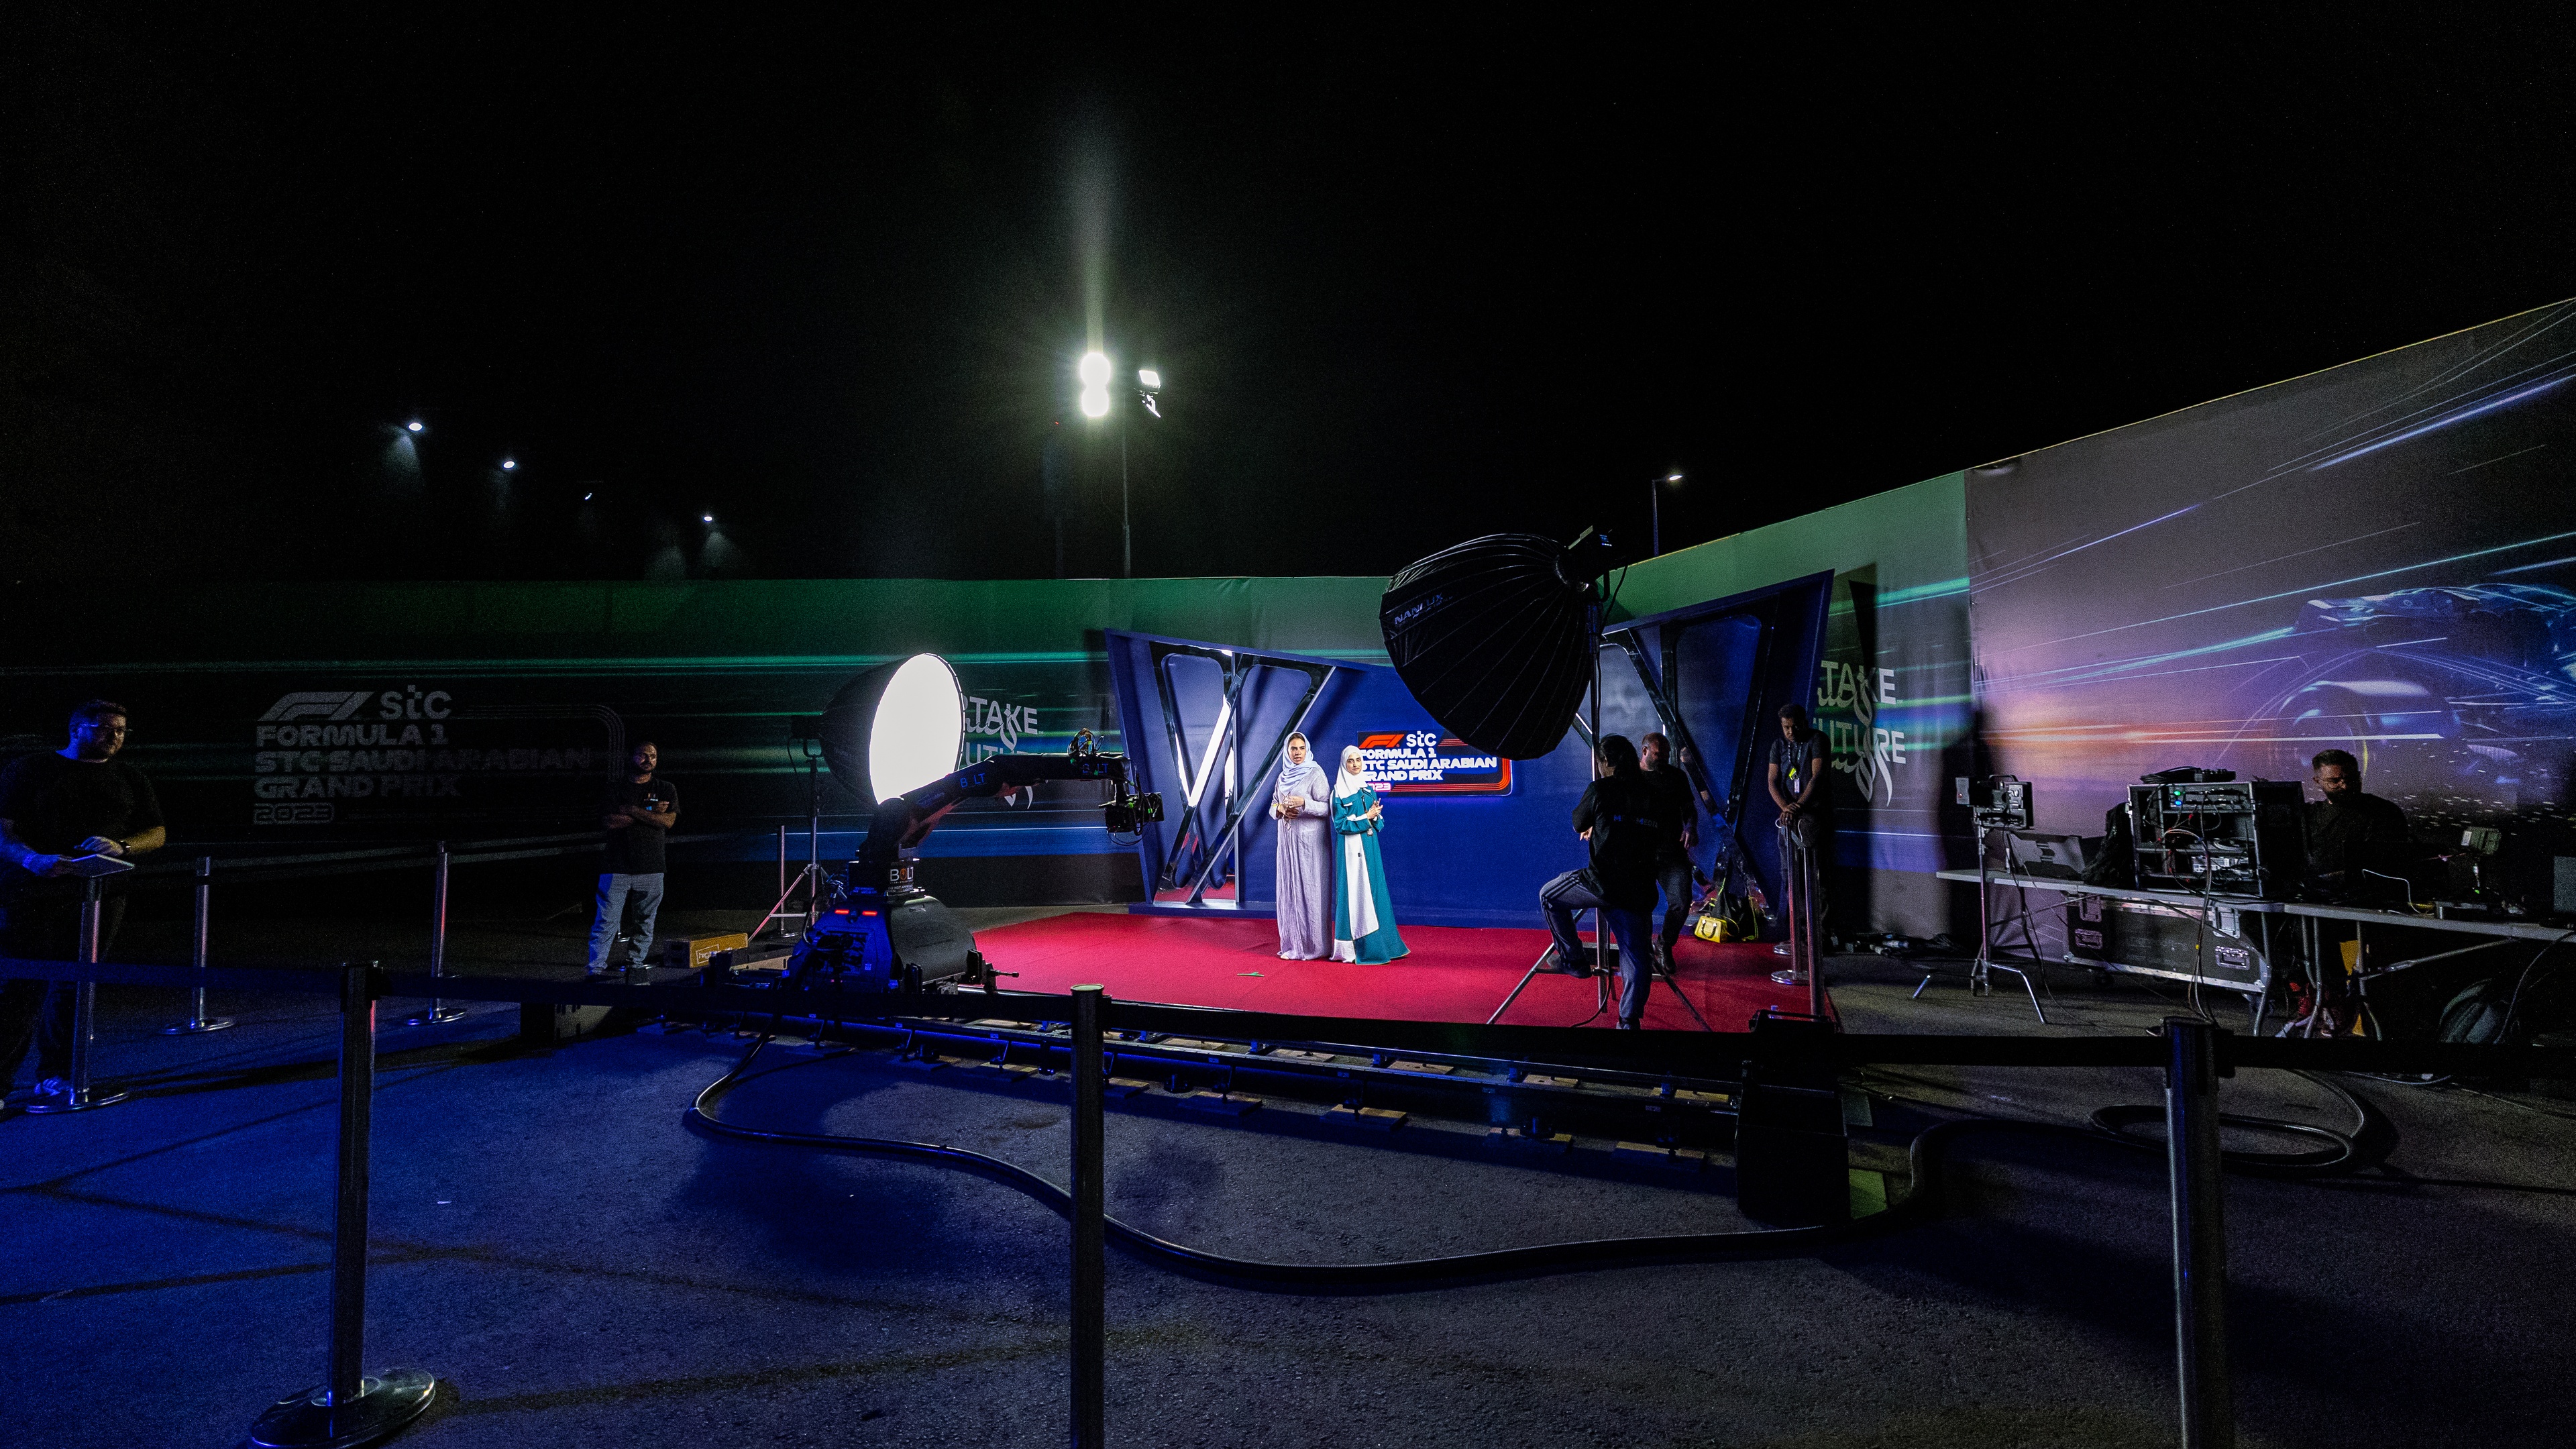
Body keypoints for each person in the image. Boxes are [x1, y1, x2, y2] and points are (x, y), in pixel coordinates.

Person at [0, 700, 165, 1108]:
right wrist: (31, 859)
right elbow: (3, 830)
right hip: (33, 890)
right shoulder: (31, 769)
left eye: (122, 730)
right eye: (106, 728)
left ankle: (57, 1075)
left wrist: (121, 846)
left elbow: (157, 831)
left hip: (100, 895)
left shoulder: (130, 776)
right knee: (22, 985)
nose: (115, 737)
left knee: (76, 986)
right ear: (76, 729)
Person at [1538, 734, 1663, 1029]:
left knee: (1548, 895)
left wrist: (1598, 824)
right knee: (1636, 955)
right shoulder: (1653, 792)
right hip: (1640, 888)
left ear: (1606, 763)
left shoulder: (1600, 788)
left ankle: (1574, 960)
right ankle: (1629, 1021)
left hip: (1601, 883)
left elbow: (1577, 823)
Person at [586, 741, 678, 979]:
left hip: (652, 867)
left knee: (645, 922)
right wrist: (650, 814)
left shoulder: (666, 788)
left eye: (654, 756)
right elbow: (609, 822)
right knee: (605, 922)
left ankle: (635, 964)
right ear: (632, 757)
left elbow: (668, 822)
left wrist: (631, 810)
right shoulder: (614, 788)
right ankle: (596, 969)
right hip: (616, 866)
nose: (649, 760)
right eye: (643, 755)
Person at [1329, 745, 1407, 963]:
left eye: (1358, 760)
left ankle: (1385, 944)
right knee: (1356, 894)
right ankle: (1356, 949)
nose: (1355, 765)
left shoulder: (1368, 789)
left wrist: (1374, 817)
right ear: (1344, 764)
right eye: (1350, 761)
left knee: (1375, 892)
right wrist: (1366, 817)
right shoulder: (1338, 793)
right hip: (1352, 851)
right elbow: (1340, 825)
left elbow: (1379, 823)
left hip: (1371, 848)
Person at [1768, 703, 1829, 975]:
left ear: (1804, 722)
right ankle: (1797, 935)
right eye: (1786, 727)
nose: (1790, 732)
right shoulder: (1778, 745)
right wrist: (1786, 808)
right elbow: (1772, 781)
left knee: (1816, 877)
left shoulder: (1818, 740)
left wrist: (1799, 807)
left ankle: (1819, 936)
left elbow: (1817, 777)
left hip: (1812, 814)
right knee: (1790, 875)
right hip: (1789, 817)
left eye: (1794, 726)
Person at [2304, 748, 2410, 894]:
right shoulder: (2309, 814)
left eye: (2351, 779)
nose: (2345, 786)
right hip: (2318, 899)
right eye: (2334, 781)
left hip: (2369, 898)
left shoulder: (2384, 811)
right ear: (2317, 782)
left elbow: (2391, 862)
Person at [1269, 732, 1333, 959]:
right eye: (1293, 749)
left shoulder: (1315, 774)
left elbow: (1327, 808)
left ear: (1307, 750)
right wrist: (1280, 809)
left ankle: (1314, 947)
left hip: (1310, 845)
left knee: (1310, 890)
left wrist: (1304, 803)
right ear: (1287, 751)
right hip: (1286, 843)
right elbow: (1273, 804)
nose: (1297, 753)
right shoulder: (1283, 776)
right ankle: (1292, 945)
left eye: (1301, 749)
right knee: (1288, 890)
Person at [1639, 731, 1701, 967]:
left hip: (1671, 852)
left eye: (1666, 753)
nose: (1663, 757)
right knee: (1639, 906)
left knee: (1681, 902)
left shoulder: (1676, 776)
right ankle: (1642, 950)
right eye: (1658, 754)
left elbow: (1689, 809)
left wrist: (1690, 827)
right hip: (1640, 853)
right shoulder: (1632, 777)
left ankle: (1664, 943)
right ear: (1645, 751)